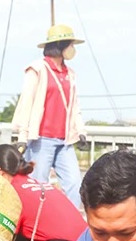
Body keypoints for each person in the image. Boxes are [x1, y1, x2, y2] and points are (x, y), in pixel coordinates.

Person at [11, 24, 88, 208]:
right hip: (42, 140)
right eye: (70, 44)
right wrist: (22, 136)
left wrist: (81, 131)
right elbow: (27, 103)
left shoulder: (70, 74)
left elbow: (74, 106)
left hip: (65, 141)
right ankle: (36, 222)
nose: (73, 49)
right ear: (60, 45)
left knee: (75, 185)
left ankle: (70, 222)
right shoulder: (37, 69)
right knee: (38, 186)